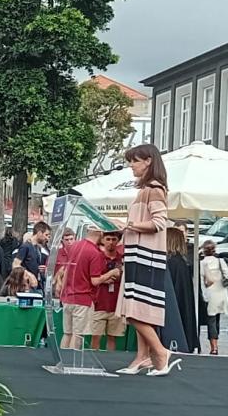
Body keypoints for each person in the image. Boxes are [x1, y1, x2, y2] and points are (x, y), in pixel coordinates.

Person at [114, 144, 178, 375]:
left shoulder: (154, 189)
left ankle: (159, 352)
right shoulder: (147, 190)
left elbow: (160, 222)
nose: (131, 165)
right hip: (139, 255)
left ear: (148, 161)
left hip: (145, 256)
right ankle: (142, 357)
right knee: (137, 310)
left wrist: (128, 225)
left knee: (133, 311)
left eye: (135, 160)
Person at [62, 225, 112, 350]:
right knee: (77, 334)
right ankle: (73, 363)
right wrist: (112, 273)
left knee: (67, 334)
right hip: (83, 299)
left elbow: (66, 270)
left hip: (68, 297)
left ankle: (63, 360)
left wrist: (63, 292)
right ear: (100, 233)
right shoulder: (95, 253)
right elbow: (95, 281)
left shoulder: (74, 246)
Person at [199, 240, 228, 355]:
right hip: (221, 292)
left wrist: (204, 295)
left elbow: (202, 282)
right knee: (217, 319)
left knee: (211, 320)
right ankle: (215, 341)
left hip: (209, 293)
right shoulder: (220, 261)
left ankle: (214, 346)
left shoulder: (202, 263)